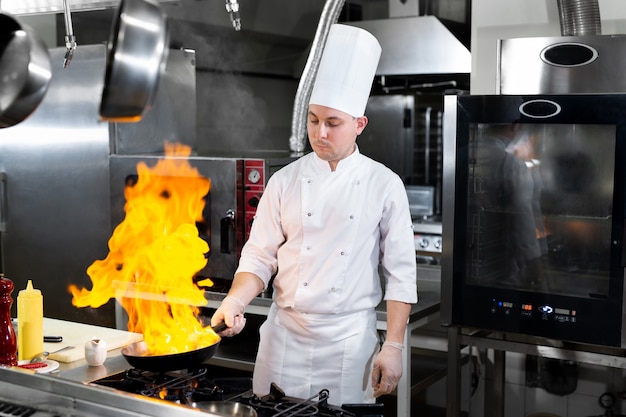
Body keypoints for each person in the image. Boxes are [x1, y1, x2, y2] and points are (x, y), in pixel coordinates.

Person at [210, 23, 417, 406]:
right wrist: (235, 302)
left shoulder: (383, 184)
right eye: (313, 119)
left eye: (333, 123)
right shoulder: (285, 181)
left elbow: (401, 274)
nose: (319, 133)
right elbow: (258, 257)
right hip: (284, 338)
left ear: (359, 124)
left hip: (348, 342)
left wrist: (394, 346)